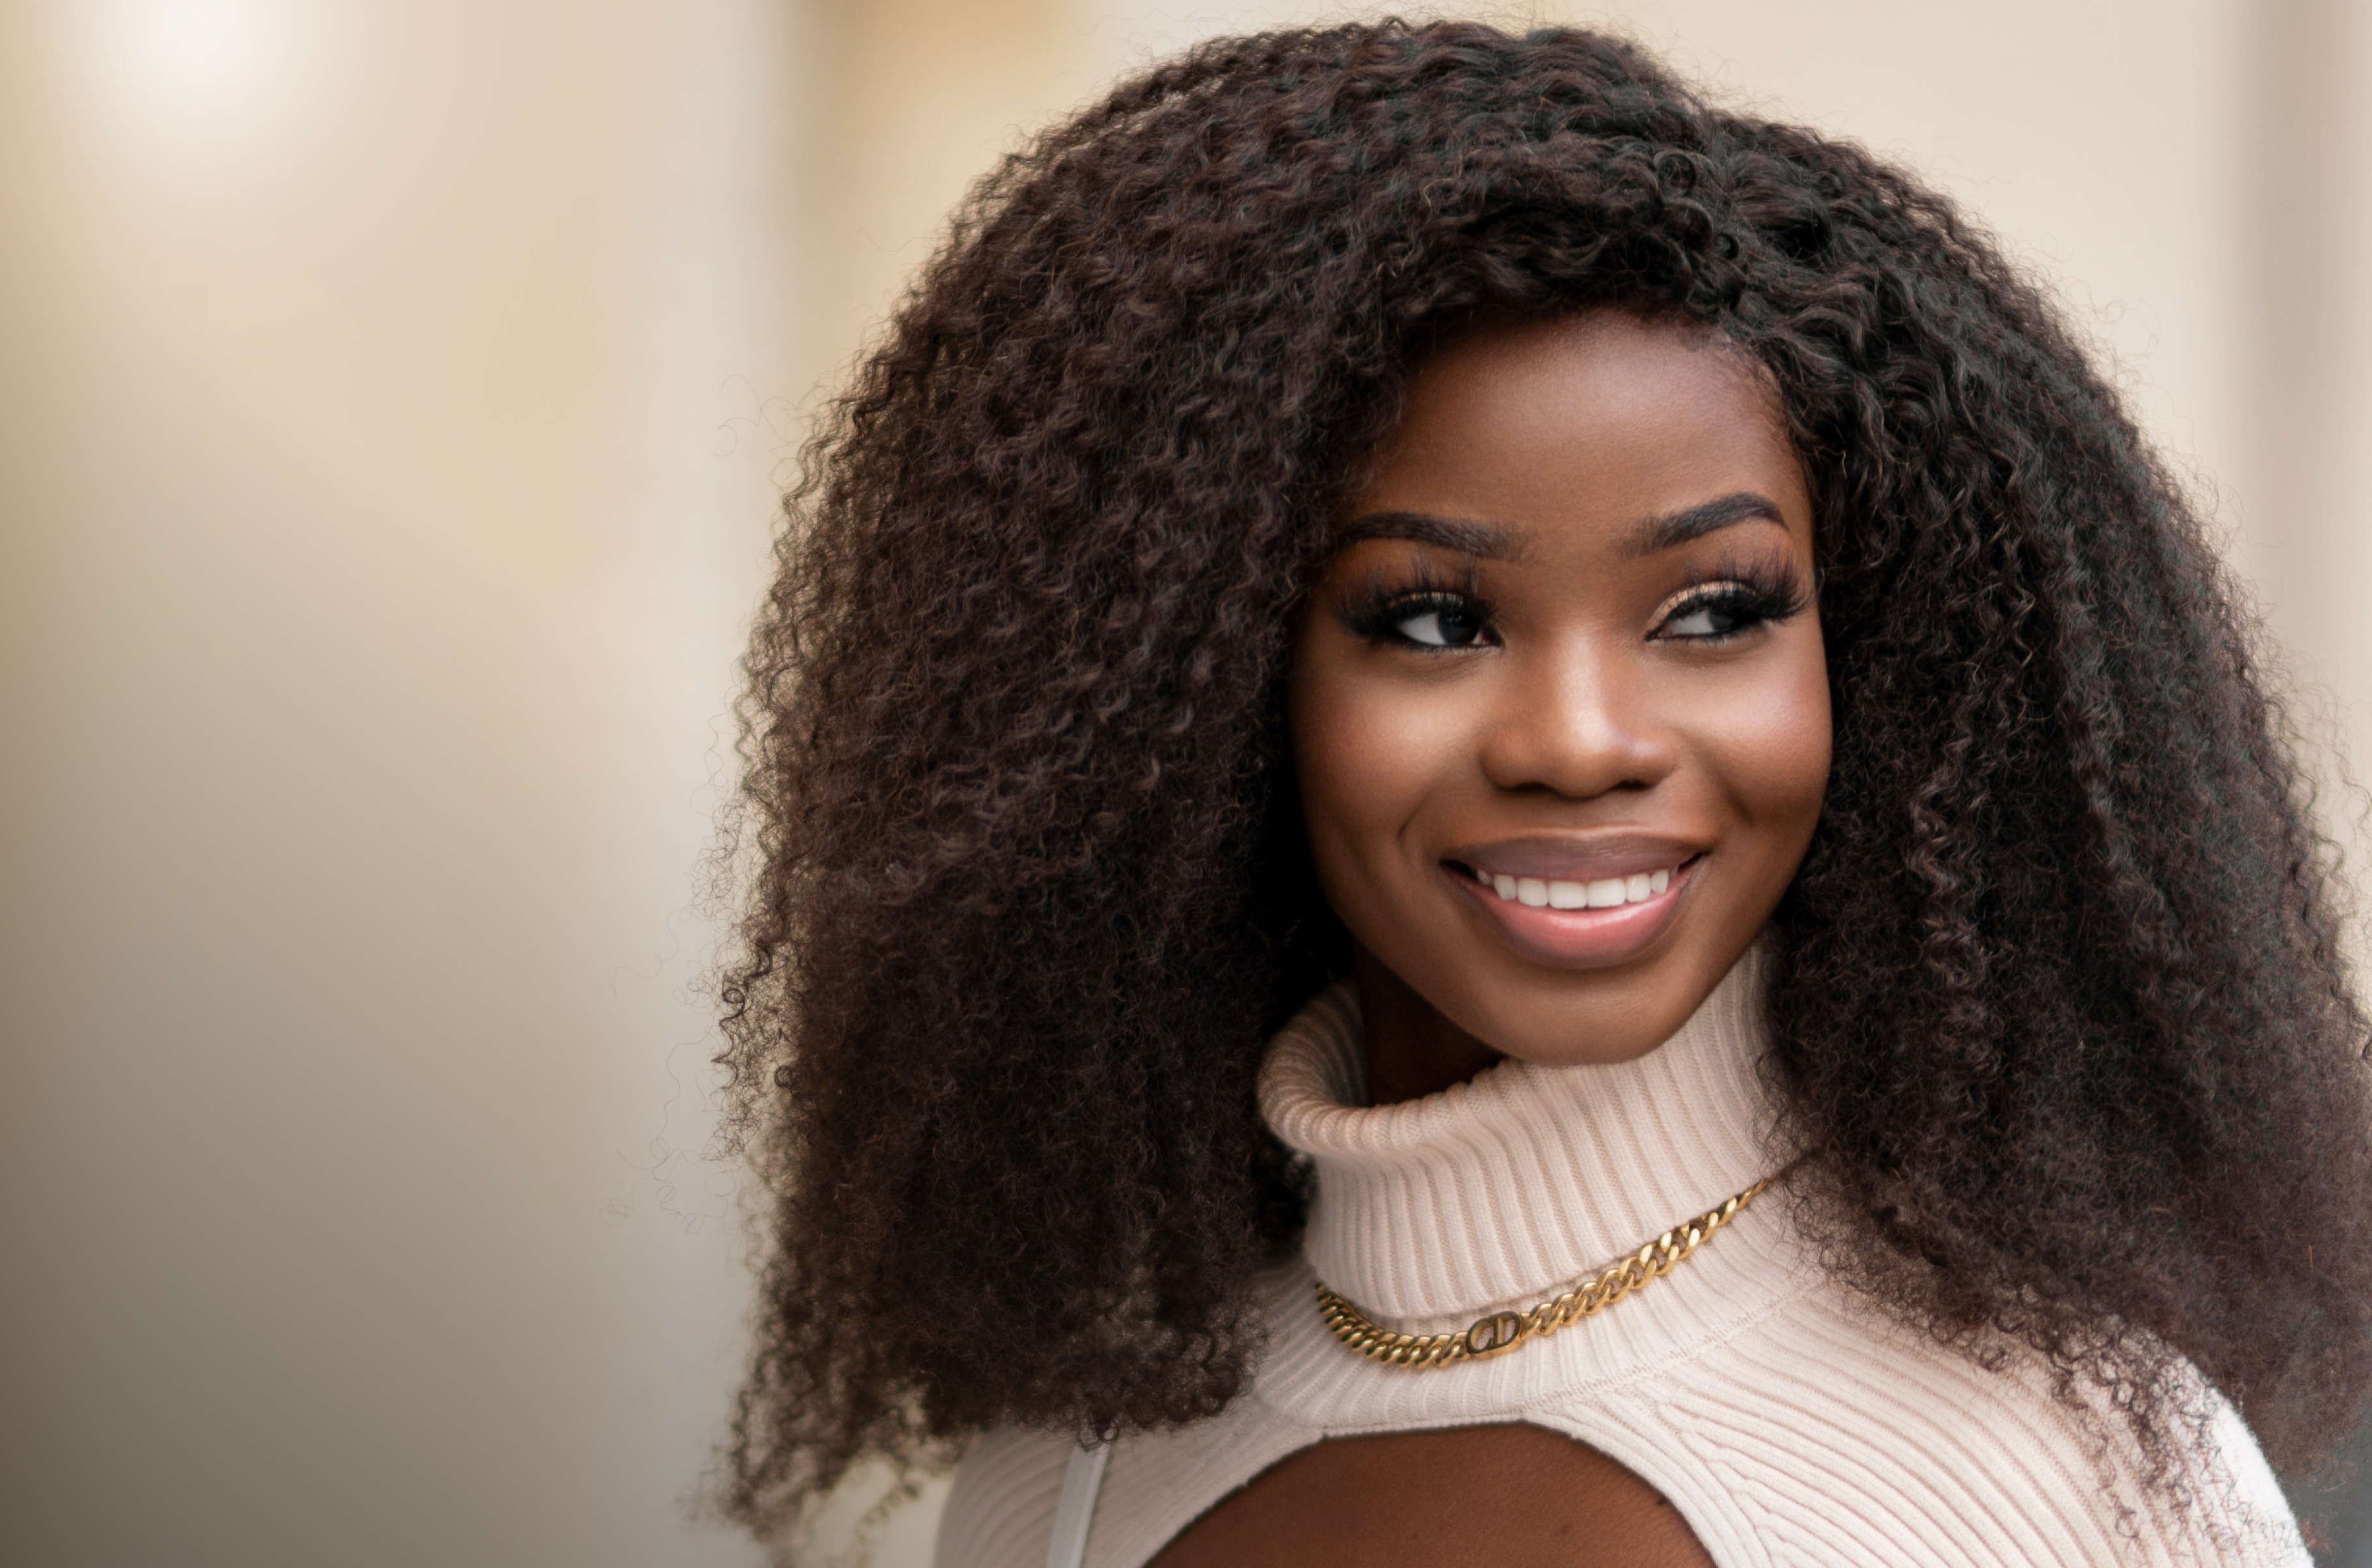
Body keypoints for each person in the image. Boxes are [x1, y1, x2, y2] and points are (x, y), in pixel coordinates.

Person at [713, 20, 2372, 1566]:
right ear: (1202, 694)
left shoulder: (2057, 1465)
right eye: (1429, 620)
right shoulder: (1061, 1481)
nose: (1580, 740)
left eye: (1712, 613)